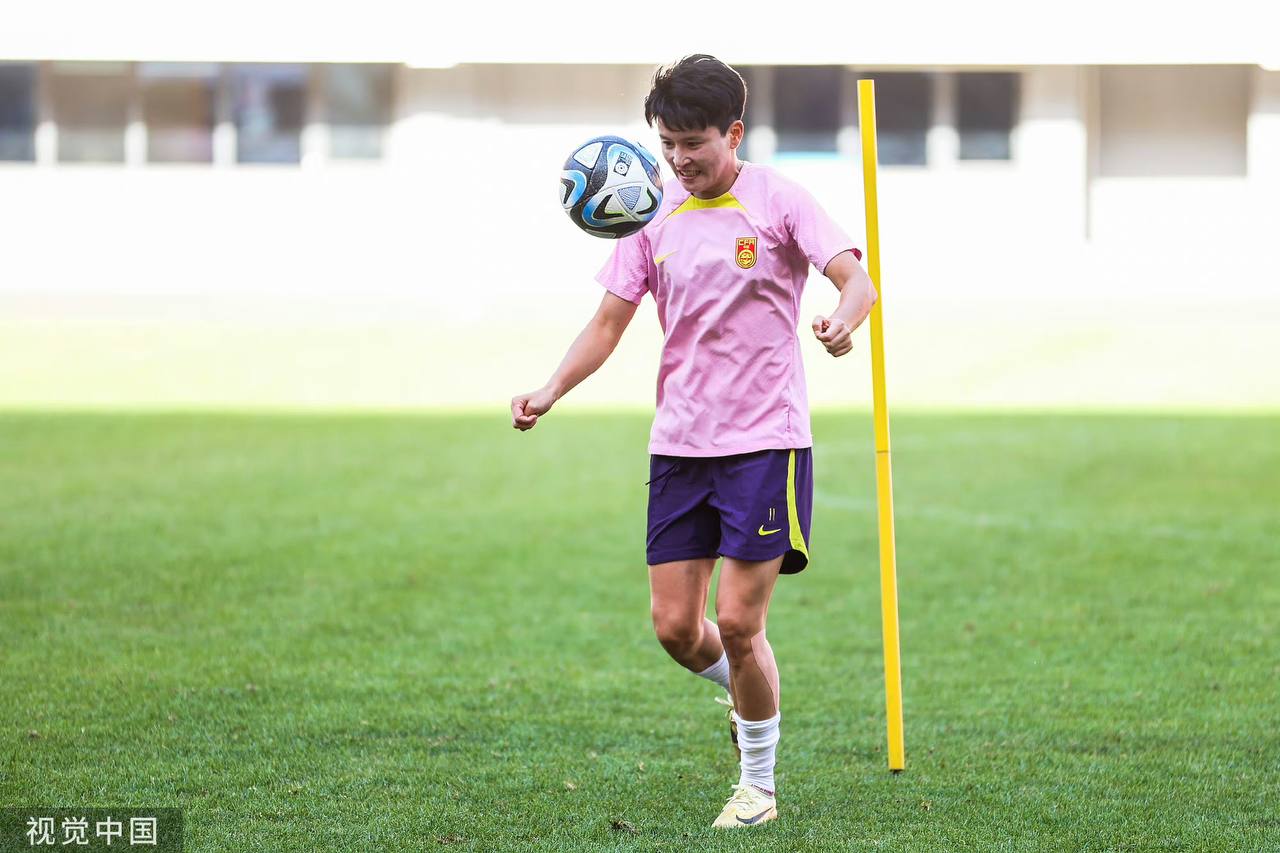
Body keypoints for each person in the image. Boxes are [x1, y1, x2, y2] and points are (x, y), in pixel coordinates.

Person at [510, 54, 877, 829]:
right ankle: (748, 692)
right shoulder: (649, 212)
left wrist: (843, 322)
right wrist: (549, 389)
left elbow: (857, 281)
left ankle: (758, 787)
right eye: (667, 143)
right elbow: (607, 323)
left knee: (739, 622)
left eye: (693, 143)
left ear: (733, 133)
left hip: (765, 444)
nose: (678, 159)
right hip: (680, 446)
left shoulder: (778, 200)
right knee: (677, 629)